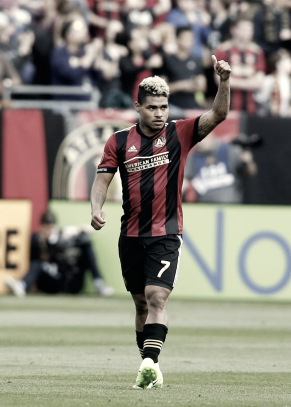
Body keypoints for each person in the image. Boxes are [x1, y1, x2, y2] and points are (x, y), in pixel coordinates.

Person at [90, 58, 231, 389]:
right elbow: (101, 182)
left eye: (164, 107)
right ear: (137, 106)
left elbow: (218, 115)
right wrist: (96, 208)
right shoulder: (119, 142)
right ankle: (148, 366)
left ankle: (151, 362)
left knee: (157, 297)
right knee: (140, 304)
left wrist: (223, 82)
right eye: (152, 107)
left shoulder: (179, 133)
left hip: (166, 232)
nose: (159, 113)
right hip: (131, 234)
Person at [5, 211, 114, 297]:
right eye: (46, 227)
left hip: (67, 278)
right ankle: (22, 285)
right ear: (41, 227)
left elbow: (91, 229)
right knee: (38, 264)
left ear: (55, 226)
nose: (48, 230)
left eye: (50, 227)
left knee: (85, 243)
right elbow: (33, 261)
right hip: (50, 281)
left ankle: (99, 283)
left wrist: (75, 230)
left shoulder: (63, 234)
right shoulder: (36, 240)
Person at [213, 18, 265, 115]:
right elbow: (218, 79)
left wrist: (232, 81)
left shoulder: (257, 52)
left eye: (250, 30)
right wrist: (249, 83)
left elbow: (259, 82)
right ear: (233, 30)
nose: (247, 33)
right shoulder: (223, 50)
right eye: (244, 29)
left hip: (251, 107)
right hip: (226, 107)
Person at [184, 135, 257, 203]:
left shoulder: (227, 150)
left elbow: (251, 172)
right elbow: (184, 182)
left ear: (210, 135)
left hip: (231, 206)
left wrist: (248, 162)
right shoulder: (193, 158)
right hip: (205, 208)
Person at [159, 26, 206, 110]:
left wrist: (195, 85)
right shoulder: (168, 60)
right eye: (186, 38)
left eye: (191, 38)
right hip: (173, 106)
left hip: (193, 106)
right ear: (177, 39)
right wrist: (182, 85)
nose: (189, 41)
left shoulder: (196, 60)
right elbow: (161, 89)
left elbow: (203, 86)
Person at [254, 48, 291, 117]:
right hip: (270, 119)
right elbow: (260, 100)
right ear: (279, 64)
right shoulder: (268, 80)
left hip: (289, 120)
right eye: (289, 61)